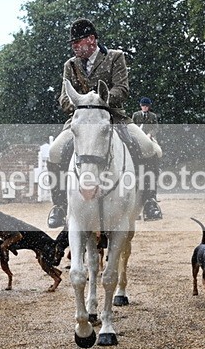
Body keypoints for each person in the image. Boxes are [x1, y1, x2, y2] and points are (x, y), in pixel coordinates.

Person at [45, 18, 163, 228]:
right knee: (55, 152)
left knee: (146, 147)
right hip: (80, 121)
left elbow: (122, 89)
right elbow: (64, 98)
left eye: (77, 41)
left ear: (91, 40)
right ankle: (60, 206)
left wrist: (100, 101)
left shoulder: (115, 57)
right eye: (73, 42)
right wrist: (84, 104)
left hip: (114, 117)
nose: (74, 46)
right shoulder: (69, 65)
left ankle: (149, 200)